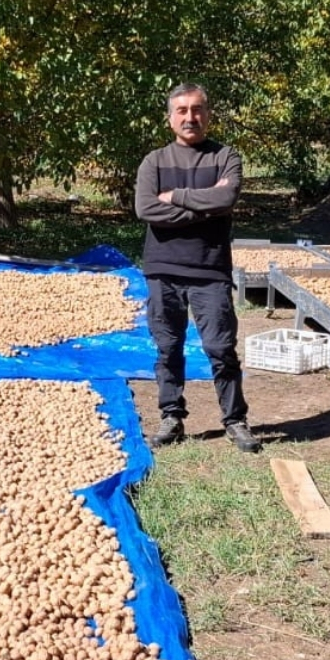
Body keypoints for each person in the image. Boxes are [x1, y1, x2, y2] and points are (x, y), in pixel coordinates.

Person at [134, 82, 259, 453]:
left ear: (209, 114)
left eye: (198, 109)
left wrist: (176, 198)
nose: (191, 117)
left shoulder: (225, 157)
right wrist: (204, 207)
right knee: (167, 348)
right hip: (163, 270)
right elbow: (146, 209)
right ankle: (171, 417)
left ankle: (235, 420)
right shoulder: (154, 161)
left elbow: (227, 196)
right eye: (182, 110)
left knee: (221, 349)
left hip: (210, 271)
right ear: (170, 118)